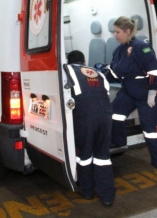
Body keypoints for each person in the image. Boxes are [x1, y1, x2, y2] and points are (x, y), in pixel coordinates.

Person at [106, 16, 157, 186]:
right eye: (114, 31)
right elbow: (114, 72)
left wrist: (151, 92)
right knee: (114, 113)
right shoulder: (119, 50)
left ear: (127, 31)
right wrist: (97, 76)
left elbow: (154, 71)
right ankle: (119, 141)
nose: (115, 34)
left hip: (148, 92)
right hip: (129, 91)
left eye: (118, 32)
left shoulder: (142, 47)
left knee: (151, 132)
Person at [66, 50, 116, 207]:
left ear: (68, 61)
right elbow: (105, 92)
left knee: (85, 155)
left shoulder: (66, 71)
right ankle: (107, 196)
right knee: (103, 156)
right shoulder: (97, 72)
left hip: (86, 116)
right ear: (84, 60)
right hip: (106, 115)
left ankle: (87, 191)